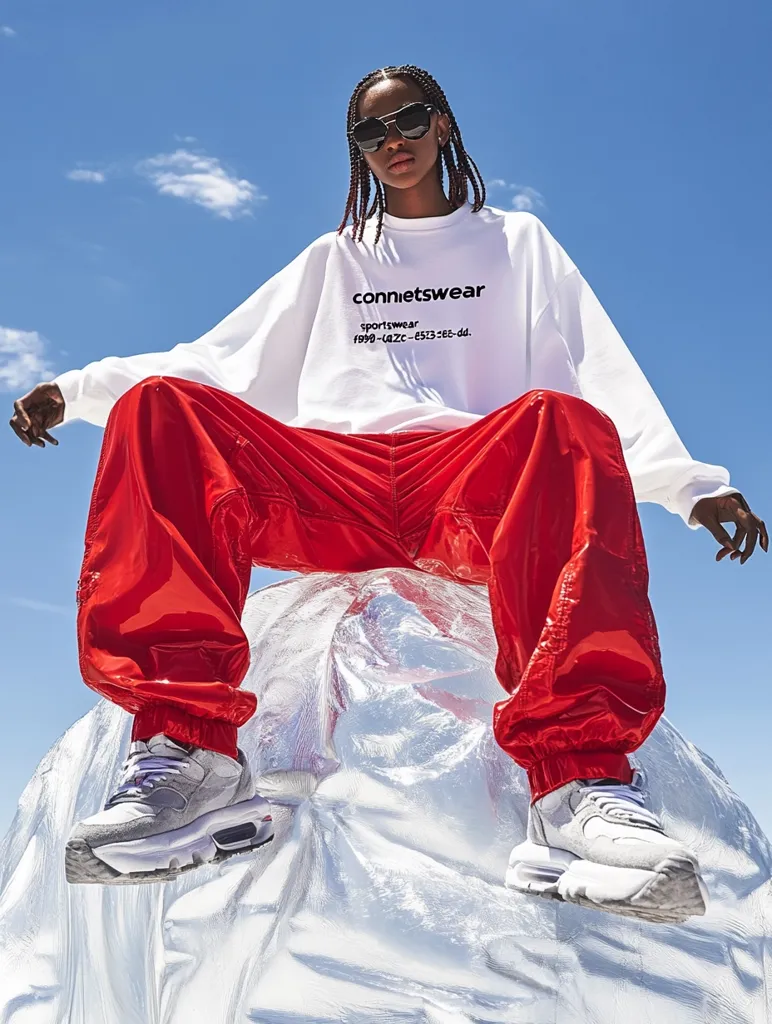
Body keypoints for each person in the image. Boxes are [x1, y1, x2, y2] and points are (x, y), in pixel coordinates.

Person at [9, 65, 766, 923]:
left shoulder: (516, 243)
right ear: (358, 152)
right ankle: (190, 750)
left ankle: (576, 787)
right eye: (371, 133)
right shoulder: (338, 259)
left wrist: (693, 487)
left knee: (561, 418)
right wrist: (75, 391)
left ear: (442, 125)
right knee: (160, 411)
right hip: (337, 483)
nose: (392, 141)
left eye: (407, 120)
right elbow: (212, 359)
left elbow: (601, 368)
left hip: (465, 483)